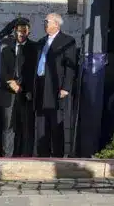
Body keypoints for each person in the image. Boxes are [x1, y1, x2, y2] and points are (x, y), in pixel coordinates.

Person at [31, 14, 79, 158]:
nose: (45, 24)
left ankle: (57, 153)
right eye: (44, 21)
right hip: (40, 84)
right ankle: (42, 152)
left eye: (47, 21)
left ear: (57, 24)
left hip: (56, 86)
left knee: (56, 120)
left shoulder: (67, 41)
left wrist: (66, 87)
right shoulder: (41, 41)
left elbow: (70, 67)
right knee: (41, 121)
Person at [0, 18, 33, 156]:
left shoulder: (34, 48)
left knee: (24, 126)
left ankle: (24, 155)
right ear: (14, 32)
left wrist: (22, 86)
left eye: (24, 31)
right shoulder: (6, 48)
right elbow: (1, 69)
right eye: (19, 31)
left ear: (28, 31)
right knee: (7, 126)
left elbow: (34, 70)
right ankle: (7, 155)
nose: (21, 34)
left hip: (25, 92)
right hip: (8, 92)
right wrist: (10, 82)